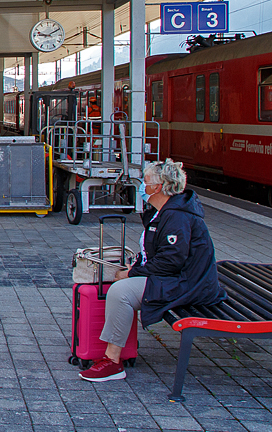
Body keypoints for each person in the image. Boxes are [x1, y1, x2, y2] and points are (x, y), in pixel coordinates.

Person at [79, 159, 227, 382]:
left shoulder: (177, 216)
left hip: (187, 284)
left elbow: (170, 261)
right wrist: (136, 267)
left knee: (121, 291)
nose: (142, 187)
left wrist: (131, 273)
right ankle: (112, 358)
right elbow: (160, 256)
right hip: (181, 279)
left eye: (145, 182)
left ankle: (113, 362)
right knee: (121, 287)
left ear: (158, 187)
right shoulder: (167, 211)